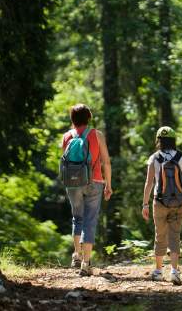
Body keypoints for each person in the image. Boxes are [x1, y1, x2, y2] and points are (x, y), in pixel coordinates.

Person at [62, 103, 112, 276]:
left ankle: (76, 255)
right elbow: (106, 161)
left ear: (72, 119)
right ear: (89, 118)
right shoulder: (96, 135)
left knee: (77, 218)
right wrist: (108, 184)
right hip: (94, 180)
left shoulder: (67, 136)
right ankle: (86, 262)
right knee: (90, 220)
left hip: (72, 182)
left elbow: (65, 162)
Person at [142, 126, 182, 286]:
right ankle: (175, 271)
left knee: (160, 235)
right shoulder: (181, 157)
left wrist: (145, 204)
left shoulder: (154, 158)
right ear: (174, 139)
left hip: (159, 201)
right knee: (174, 235)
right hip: (178, 202)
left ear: (158, 140)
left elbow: (149, 183)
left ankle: (158, 271)